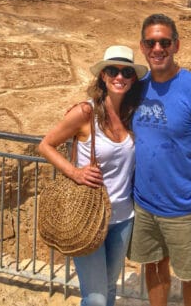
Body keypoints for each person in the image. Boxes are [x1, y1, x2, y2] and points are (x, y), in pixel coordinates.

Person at [128, 13, 191, 306]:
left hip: (183, 207)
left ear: (176, 45)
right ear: (143, 47)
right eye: (151, 42)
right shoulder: (138, 87)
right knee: (154, 267)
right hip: (145, 204)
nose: (158, 48)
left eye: (164, 42)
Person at [38, 44, 147, 306]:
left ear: (133, 79)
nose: (119, 77)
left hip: (123, 218)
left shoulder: (132, 115)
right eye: (113, 70)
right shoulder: (85, 113)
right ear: (103, 76)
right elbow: (45, 145)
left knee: (109, 288)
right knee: (96, 298)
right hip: (88, 217)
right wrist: (74, 172)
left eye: (126, 72)